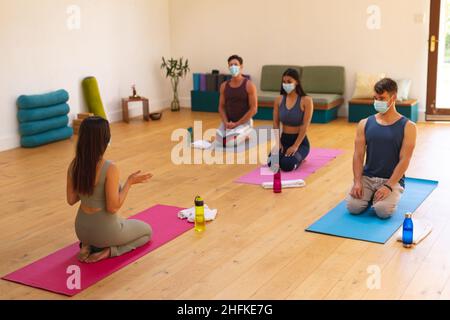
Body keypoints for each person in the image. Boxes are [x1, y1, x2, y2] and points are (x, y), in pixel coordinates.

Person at [67, 117, 153, 263]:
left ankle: (87, 245)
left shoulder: (75, 164)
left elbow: (71, 200)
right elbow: (113, 207)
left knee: (121, 222)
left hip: (81, 229)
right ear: (104, 140)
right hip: (104, 232)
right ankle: (109, 251)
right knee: (147, 232)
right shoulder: (109, 168)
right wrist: (129, 182)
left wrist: (88, 185)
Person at [346, 78, 417, 219]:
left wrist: (389, 186)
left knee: (382, 211)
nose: (378, 102)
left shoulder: (409, 127)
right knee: (353, 207)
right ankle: (370, 194)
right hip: (368, 177)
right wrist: (357, 181)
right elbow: (358, 155)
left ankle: (383, 195)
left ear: (393, 98)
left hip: (392, 179)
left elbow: (405, 160)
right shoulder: (364, 123)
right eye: (375, 98)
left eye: (382, 98)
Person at [269, 68, 313, 172]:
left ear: (296, 82)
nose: (286, 84)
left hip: (300, 142)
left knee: (286, 165)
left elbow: (305, 126)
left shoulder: (306, 100)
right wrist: (278, 143)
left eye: (289, 82)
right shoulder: (278, 100)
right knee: (272, 163)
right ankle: (288, 157)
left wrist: (295, 146)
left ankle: (299, 158)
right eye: (284, 82)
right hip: (284, 139)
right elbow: (275, 123)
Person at [216, 55, 258, 147]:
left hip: (244, 122)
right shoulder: (224, 86)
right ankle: (235, 133)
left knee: (229, 143)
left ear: (241, 66)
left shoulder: (249, 85)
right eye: (231, 65)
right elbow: (221, 106)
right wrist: (226, 122)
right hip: (229, 122)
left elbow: (254, 109)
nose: (233, 67)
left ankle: (247, 133)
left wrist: (237, 124)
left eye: (235, 64)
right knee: (219, 140)